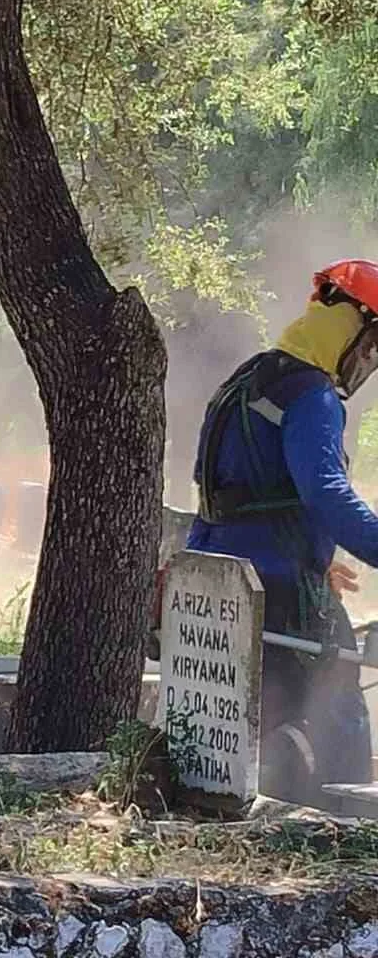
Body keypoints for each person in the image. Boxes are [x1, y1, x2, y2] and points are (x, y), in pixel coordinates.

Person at [189, 260, 378, 802]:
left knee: (233, 725)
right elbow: (326, 494)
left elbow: (239, 494)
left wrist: (313, 554)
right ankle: (330, 848)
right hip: (282, 594)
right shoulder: (312, 397)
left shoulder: (248, 377)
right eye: (372, 343)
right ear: (352, 326)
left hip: (218, 578)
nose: (370, 360)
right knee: (338, 720)